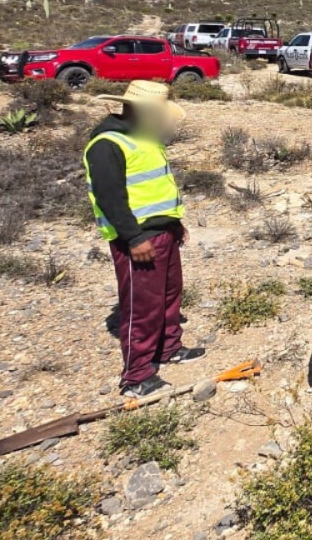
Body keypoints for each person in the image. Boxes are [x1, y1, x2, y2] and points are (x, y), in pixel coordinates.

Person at [84, 81, 204, 399]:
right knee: (142, 306)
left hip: (162, 232)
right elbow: (110, 197)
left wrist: (175, 223)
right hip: (138, 239)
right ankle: (136, 374)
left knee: (169, 296)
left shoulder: (144, 138)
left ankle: (168, 348)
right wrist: (133, 237)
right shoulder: (107, 144)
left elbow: (157, 186)